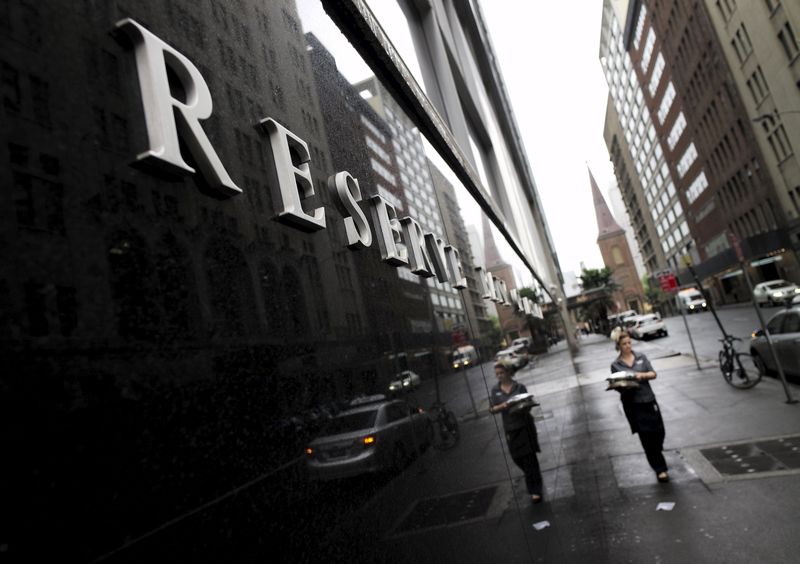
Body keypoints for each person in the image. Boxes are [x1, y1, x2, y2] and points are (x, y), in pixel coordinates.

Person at [610, 331, 669, 482]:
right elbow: (616, 385)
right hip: (633, 404)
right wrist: (623, 385)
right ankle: (660, 469)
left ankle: (657, 451)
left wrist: (641, 376)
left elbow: (653, 373)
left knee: (659, 432)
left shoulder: (641, 357)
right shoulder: (616, 365)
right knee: (646, 437)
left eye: (629, 342)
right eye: (624, 344)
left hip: (649, 400)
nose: (628, 346)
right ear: (618, 346)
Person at [489, 359, 544, 503]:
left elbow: (529, 404)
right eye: (497, 374)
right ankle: (534, 477)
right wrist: (504, 405)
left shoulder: (519, 387)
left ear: (508, 372)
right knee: (517, 458)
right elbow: (492, 409)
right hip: (510, 429)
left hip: (525, 426)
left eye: (502, 373)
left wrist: (522, 406)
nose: (499, 376)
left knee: (529, 459)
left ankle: (535, 490)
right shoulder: (495, 390)